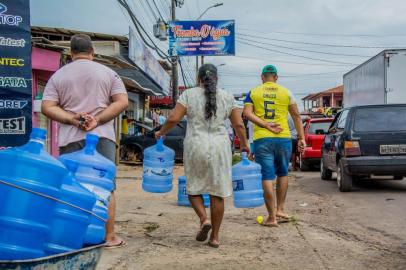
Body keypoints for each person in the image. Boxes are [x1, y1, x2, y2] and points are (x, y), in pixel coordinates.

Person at [41, 34, 129, 248]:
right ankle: (109, 237)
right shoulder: (108, 73)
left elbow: (47, 107)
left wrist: (73, 119)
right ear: (92, 52)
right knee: (105, 187)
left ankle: (73, 235)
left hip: (70, 138)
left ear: (71, 53)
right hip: (102, 137)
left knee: (72, 186)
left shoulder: (59, 76)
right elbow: (122, 102)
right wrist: (97, 119)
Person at [155, 64, 249, 248]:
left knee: (193, 188)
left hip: (195, 145)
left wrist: (160, 132)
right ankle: (215, 236)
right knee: (217, 193)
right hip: (220, 147)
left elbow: (174, 118)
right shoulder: (228, 97)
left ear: (198, 78)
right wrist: (245, 144)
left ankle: (204, 219)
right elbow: (239, 125)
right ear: (217, 78)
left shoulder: (188, 94)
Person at [243, 64, 305, 227]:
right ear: (276, 77)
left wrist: (264, 124)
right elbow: (297, 115)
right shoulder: (287, 92)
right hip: (283, 137)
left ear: (262, 77)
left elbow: (247, 114)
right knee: (283, 173)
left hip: (262, 139)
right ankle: (281, 209)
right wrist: (301, 138)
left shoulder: (253, 92)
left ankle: (271, 217)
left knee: (267, 176)